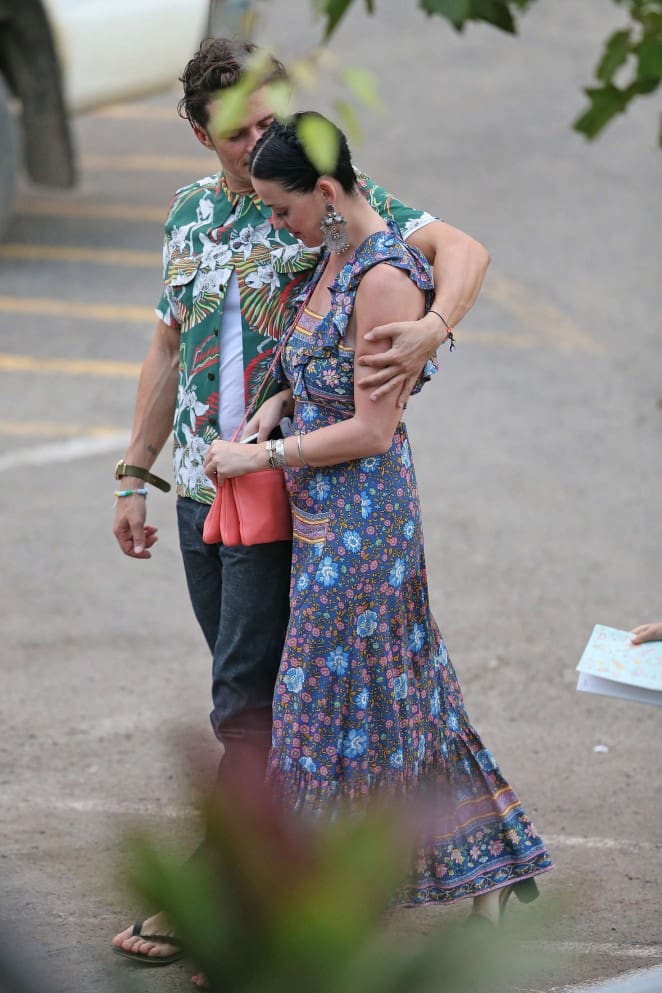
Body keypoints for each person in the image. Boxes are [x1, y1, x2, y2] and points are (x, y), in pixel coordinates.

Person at [111, 38, 490, 963]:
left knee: (246, 696)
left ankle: (232, 890)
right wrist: (135, 468)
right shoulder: (191, 215)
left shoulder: (319, 191)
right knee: (249, 688)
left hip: (294, 493)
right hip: (209, 486)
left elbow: (460, 247)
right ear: (202, 137)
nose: (259, 143)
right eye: (238, 133)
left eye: (270, 122)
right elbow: (168, 345)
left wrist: (435, 326)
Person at [203, 113, 552, 924]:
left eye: (281, 209)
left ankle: (309, 905)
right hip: (327, 512)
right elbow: (324, 369)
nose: (274, 224)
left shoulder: (385, 275)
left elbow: (373, 428)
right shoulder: (333, 255)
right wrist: (280, 404)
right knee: (399, 690)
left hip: (364, 523)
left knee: (321, 701)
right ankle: (489, 862)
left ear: (326, 192)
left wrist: (261, 458)